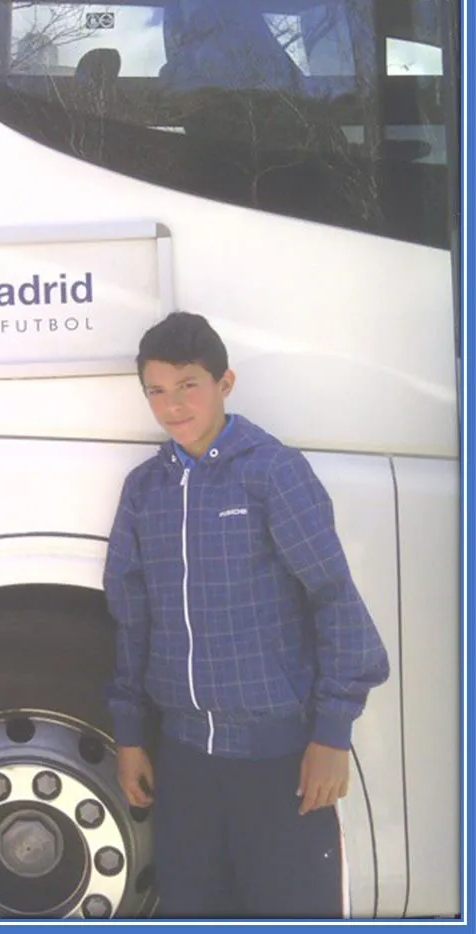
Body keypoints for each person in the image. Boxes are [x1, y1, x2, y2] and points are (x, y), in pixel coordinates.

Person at [103, 312, 389, 918]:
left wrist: (331, 734)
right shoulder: (144, 491)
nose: (173, 406)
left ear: (224, 383)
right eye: (156, 390)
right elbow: (132, 620)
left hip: (279, 762)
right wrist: (130, 736)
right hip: (185, 764)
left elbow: (332, 595)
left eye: (188, 385)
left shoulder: (271, 472)